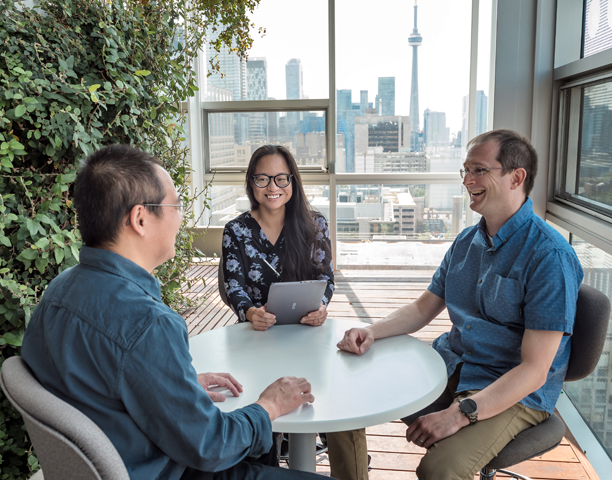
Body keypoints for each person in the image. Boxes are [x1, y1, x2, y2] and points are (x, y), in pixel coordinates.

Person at [21, 144, 325, 480]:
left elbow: (96, 383)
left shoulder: (57, 291)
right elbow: (211, 446)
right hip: (167, 469)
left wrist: (174, 385)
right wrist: (270, 405)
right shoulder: (148, 324)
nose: (180, 219)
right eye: (175, 207)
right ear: (140, 219)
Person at [336, 129, 584, 480]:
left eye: (479, 170)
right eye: (465, 171)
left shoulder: (550, 256)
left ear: (516, 177)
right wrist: (370, 331)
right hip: (452, 363)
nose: (467, 181)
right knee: (346, 396)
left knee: (440, 469)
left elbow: (534, 370)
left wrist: (458, 414)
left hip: (511, 389)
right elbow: (423, 308)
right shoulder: (468, 240)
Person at [222, 145, 369, 480]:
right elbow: (233, 284)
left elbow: (325, 277)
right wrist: (248, 311)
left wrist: (322, 305)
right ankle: (270, 465)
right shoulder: (237, 230)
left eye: (280, 178)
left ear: (293, 181)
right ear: (251, 182)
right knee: (262, 409)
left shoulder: (314, 223)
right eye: (263, 178)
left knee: (333, 399)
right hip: (256, 339)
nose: (272, 186)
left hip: (309, 335)